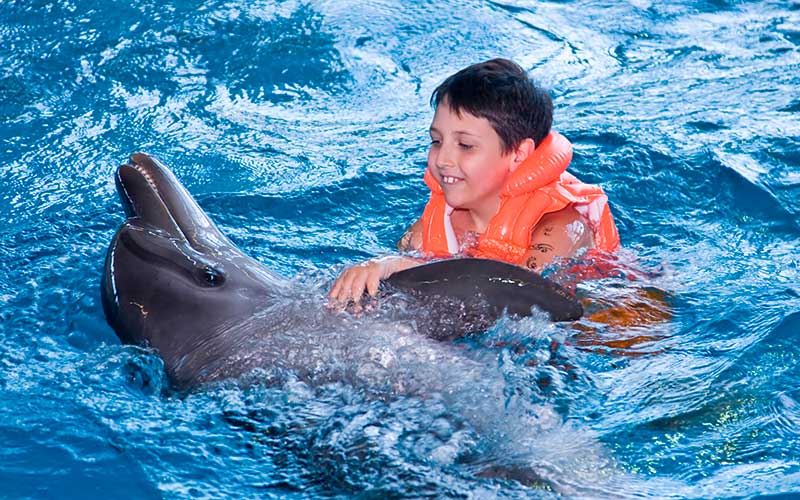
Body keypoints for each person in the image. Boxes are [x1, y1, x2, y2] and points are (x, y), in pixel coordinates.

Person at [329, 58, 620, 306]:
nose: (442, 159)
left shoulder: (559, 226)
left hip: (601, 320)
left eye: (465, 145)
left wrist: (406, 268)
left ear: (519, 154)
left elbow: (527, 294)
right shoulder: (432, 224)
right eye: (436, 141)